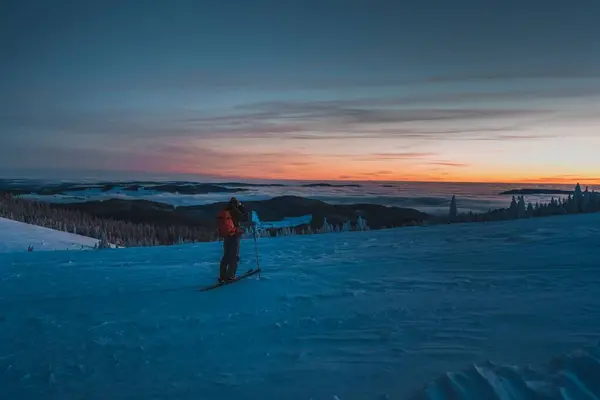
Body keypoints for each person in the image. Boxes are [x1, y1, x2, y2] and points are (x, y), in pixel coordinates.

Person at [216, 197, 248, 282]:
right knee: (234, 256)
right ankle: (230, 276)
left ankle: (222, 276)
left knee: (226, 256)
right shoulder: (235, 210)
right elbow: (245, 218)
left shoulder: (226, 210)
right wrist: (242, 207)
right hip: (234, 234)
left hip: (227, 235)